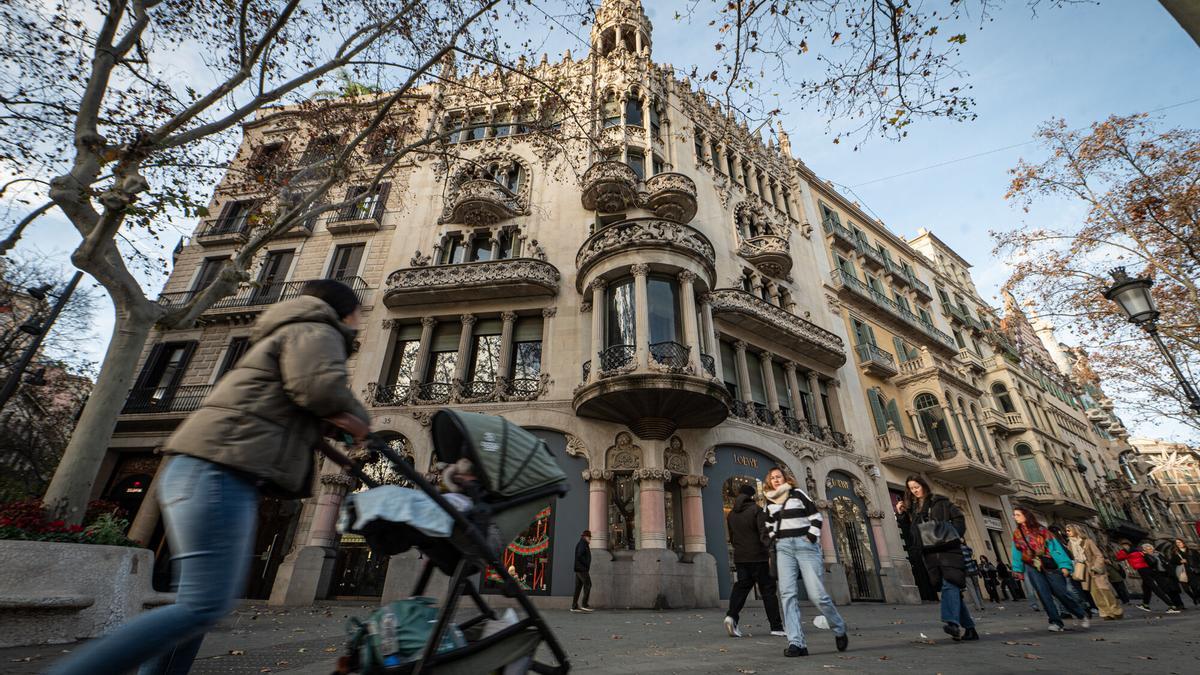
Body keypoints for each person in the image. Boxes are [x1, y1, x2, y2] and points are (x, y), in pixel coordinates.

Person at [49, 279, 371, 675]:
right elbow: (320, 390)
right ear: (345, 311)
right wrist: (360, 421)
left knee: (195, 607)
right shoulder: (317, 329)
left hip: (202, 469)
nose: (359, 322)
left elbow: (295, 404)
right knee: (205, 604)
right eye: (358, 313)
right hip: (218, 472)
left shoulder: (288, 329)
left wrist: (329, 432)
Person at [763, 466, 848, 657]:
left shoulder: (798, 494)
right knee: (787, 594)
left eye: (779, 477)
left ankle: (839, 627)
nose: (776, 480)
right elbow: (768, 524)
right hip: (784, 549)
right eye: (772, 478)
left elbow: (816, 517)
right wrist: (774, 536)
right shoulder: (769, 501)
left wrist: (810, 537)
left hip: (806, 547)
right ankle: (797, 643)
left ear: (786, 479)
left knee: (817, 595)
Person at [895, 475, 977, 642]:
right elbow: (910, 532)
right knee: (950, 588)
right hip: (930, 553)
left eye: (917, 486)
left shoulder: (940, 502)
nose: (915, 490)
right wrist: (902, 515)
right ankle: (970, 628)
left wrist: (955, 534)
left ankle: (952, 623)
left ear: (924, 485)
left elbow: (959, 518)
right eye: (911, 488)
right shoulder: (914, 509)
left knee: (950, 583)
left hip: (949, 550)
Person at [1010, 507, 1089, 632]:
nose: (1015, 517)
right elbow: (1016, 552)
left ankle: (1080, 614)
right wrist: (1017, 569)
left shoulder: (1042, 530)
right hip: (1031, 566)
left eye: (1017, 514)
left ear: (1026, 515)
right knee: (1043, 594)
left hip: (1049, 564)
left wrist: (1064, 565)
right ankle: (1055, 622)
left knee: (1061, 592)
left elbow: (1055, 548)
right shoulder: (1017, 533)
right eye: (1014, 515)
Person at [724, 483, 785, 638]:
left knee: (741, 588)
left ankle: (731, 616)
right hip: (759, 557)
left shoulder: (731, 514)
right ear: (751, 496)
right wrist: (771, 551)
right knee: (768, 591)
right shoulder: (757, 510)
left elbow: (731, 538)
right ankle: (776, 627)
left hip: (741, 557)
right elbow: (764, 534)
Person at [1064, 525, 1123, 620]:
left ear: (1075, 530)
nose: (1067, 532)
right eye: (1066, 531)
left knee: (1105, 590)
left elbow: (1099, 555)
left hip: (1096, 570)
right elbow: (1073, 558)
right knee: (1095, 593)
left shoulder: (1088, 541)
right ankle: (1105, 613)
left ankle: (1116, 611)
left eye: (1069, 530)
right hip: (1084, 572)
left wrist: (1096, 567)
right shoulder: (1070, 544)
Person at [1117, 541, 1184, 612]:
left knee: (1155, 589)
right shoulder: (1139, 551)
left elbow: (1119, 558)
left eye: (1124, 546)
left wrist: (1122, 550)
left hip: (1143, 571)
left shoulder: (1129, 553)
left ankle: (1171, 605)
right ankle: (1145, 604)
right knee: (1146, 587)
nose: (1124, 547)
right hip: (1148, 569)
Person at [1171, 538, 1200, 606]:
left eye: (1179, 542)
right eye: (1177, 543)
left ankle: (1196, 598)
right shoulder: (1175, 553)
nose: (1178, 544)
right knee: (1192, 587)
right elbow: (1172, 562)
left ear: (1183, 542)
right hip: (1186, 572)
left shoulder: (1192, 551)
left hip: (1196, 570)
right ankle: (1196, 598)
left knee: (1197, 586)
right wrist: (1179, 561)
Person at [572, 530, 594, 613]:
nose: (590, 539)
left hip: (579, 569)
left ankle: (574, 606)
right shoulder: (582, 544)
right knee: (588, 584)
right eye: (589, 537)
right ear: (585, 537)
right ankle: (584, 605)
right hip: (582, 569)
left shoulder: (583, 543)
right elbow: (579, 555)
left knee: (578, 588)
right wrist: (586, 564)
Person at [961, 543, 986, 611]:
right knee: (977, 587)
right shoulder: (968, 548)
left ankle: (977, 606)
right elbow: (972, 555)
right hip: (974, 570)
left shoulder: (958, 550)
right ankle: (982, 605)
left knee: (971, 589)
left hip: (966, 571)